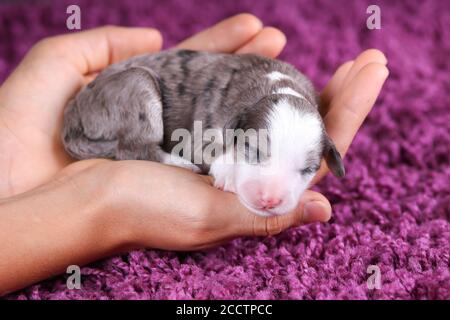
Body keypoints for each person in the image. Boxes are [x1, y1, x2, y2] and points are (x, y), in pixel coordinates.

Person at [0, 14, 388, 295]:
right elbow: (207, 147)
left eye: (303, 169)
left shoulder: (302, 110)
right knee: (139, 91)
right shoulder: (230, 116)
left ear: (325, 157)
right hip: (114, 103)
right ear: (235, 131)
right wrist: (220, 163)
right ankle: (146, 152)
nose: (273, 194)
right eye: (254, 154)